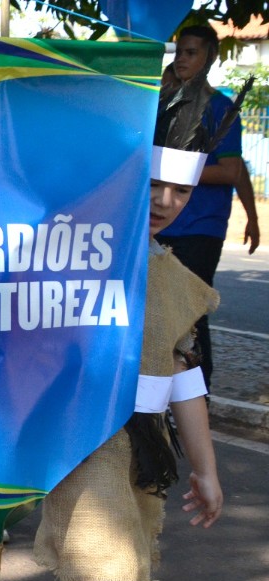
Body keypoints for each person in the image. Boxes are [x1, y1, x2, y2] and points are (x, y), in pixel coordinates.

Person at [17, 85, 228, 581]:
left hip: (144, 448)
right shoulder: (70, 255)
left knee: (97, 574)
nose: (166, 198)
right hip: (80, 443)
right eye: (154, 183)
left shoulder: (173, 273)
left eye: (179, 188)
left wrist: (205, 468)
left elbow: (183, 375)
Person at [154, 25, 254, 389]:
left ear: (209, 57)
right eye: (179, 51)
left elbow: (232, 169)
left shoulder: (219, 108)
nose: (181, 58)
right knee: (157, 312)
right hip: (158, 225)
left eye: (191, 52)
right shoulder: (161, 103)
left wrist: (253, 218)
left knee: (190, 316)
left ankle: (198, 396)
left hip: (200, 229)